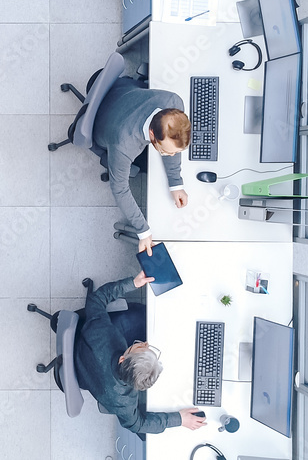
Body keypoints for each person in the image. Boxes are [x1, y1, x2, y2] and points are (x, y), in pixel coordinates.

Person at [74, 271, 207, 434]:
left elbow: (96, 299)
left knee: (140, 316)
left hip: (87, 349)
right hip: (87, 369)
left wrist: (133, 283)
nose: (145, 343)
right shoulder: (123, 402)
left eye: (139, 346)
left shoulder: (100, 333)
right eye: (140, 346)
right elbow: (137, 425)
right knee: (141, 318)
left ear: (123, 359)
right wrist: (179, 420)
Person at [91, 78, 191, 256]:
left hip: (121, 90)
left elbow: (173, 142)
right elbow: (120, 189)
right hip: (102, 125)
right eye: (168, 152)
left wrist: (176, 183)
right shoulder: (124, 145)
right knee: (145, 168)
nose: (173, 156)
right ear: (152, 134)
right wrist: (143, 231)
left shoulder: (174, 102)